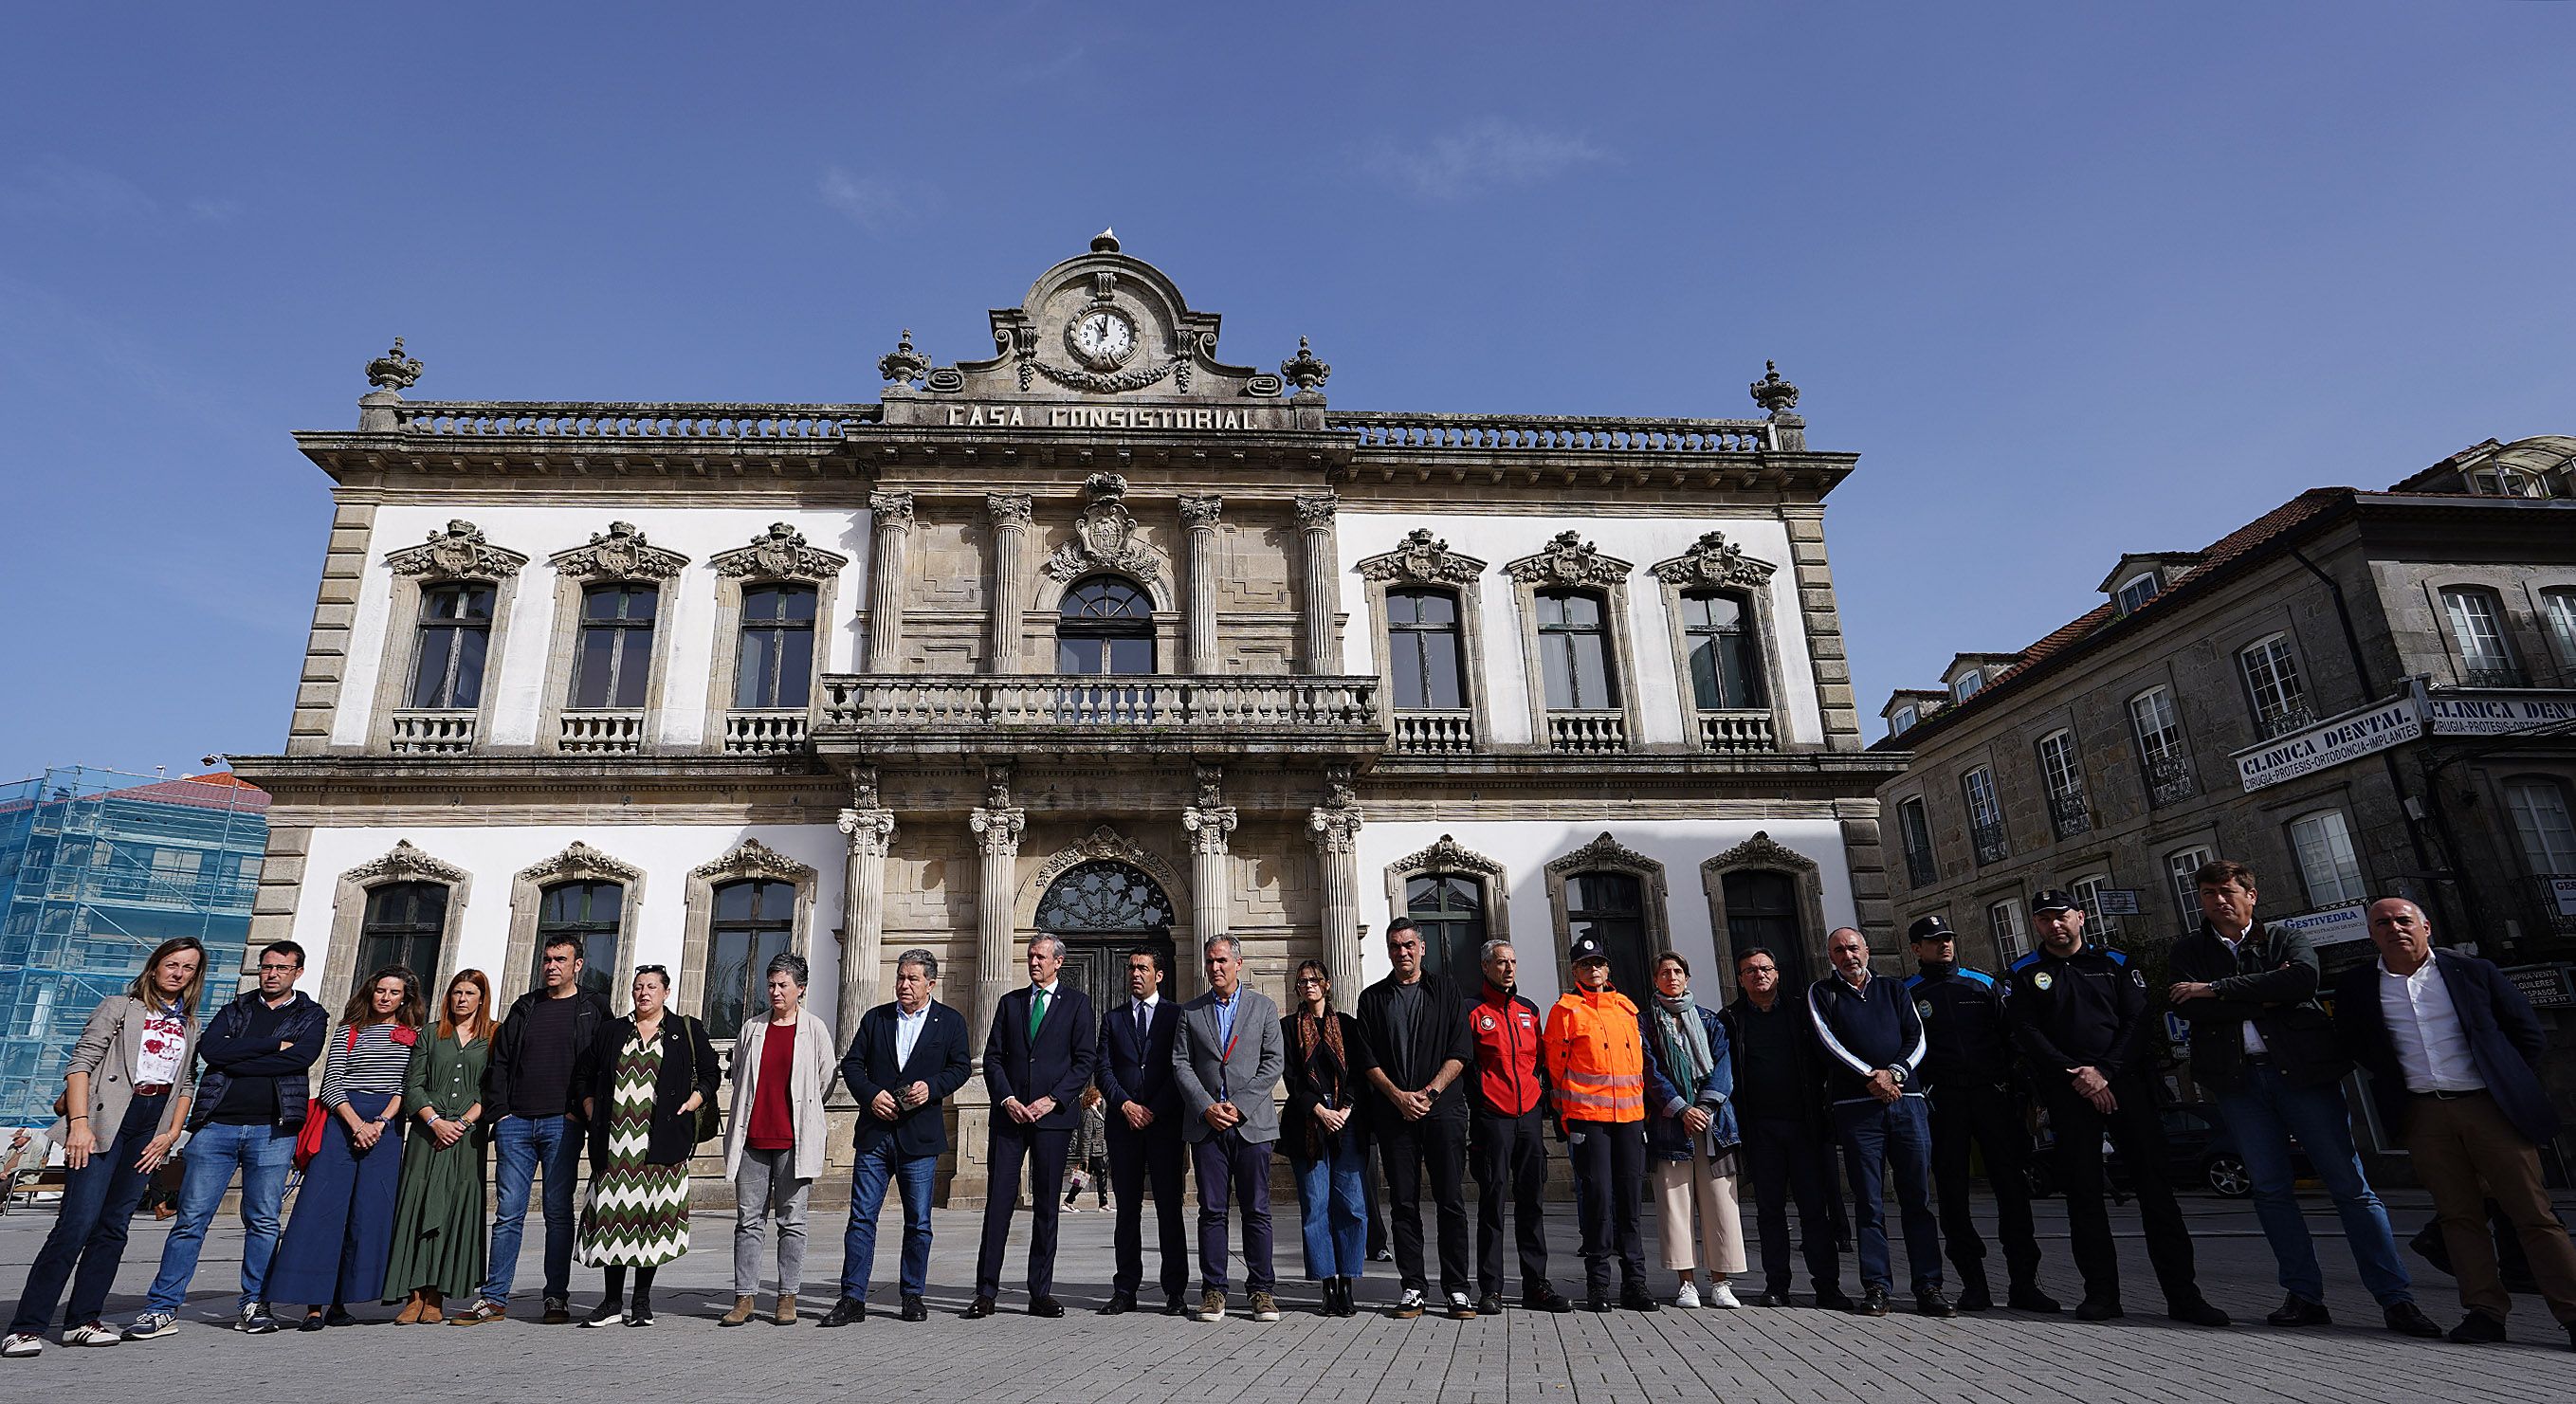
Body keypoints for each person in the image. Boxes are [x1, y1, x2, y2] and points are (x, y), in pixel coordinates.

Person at [2168, 860, 2438, 1338]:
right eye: (2208, 893)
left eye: (2227, 891)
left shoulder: (2284, 939)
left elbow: (2301, 983)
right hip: (2238, 1082)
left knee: (2351, 1188)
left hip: (2303, 1075)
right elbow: (2186, 1006)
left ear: (2251, 895)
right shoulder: (2189, 949)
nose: (2218, 901)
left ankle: (2396, 1299)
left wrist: (2217, 991)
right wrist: (2260, 994)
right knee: (2270, 1190)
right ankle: (2304, 1295)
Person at [2333, 898, 2576, 1349]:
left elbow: (2526, 1035)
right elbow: (2357, 1044)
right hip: (2424, 1114)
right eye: (2382, 923)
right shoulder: (2357, 987)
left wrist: (2503, 1084)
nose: (2395, 929)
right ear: (2371, 935)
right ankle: (2484, 1312)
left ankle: (2572, 1312)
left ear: (2426, 926)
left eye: (2404, 920)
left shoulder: (2473, 972)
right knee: (2458, 1217)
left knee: (2534, 1214)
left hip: (2489, 1107)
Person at [2006, 889, 2229, 1327]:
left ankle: (2184, 1296)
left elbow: (2138, 1022)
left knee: (2156, 1194)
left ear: (2081, 917)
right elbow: (2027, 1032)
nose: (2055, 925)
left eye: (2062, 916)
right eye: (2046, 918)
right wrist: (2079, 1074)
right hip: (2069, 1092)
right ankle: (2101, 1295)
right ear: (2036, 925)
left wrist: (2104, 1072)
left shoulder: (2116, 963)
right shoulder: (2023, 973)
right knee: (2084, 1198)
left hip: (2125, 1085)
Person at [4, 936, 203, 1358]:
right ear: (154, 967)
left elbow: (186, 1082)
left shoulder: (189, 1022)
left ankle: (83, 1319)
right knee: (77, 1223)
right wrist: (79, 1125)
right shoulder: (119, 1007)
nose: (178, 973)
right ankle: (27, 1325)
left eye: (188, 967)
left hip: (150, 1127)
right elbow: (81, 1065)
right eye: (171, 964)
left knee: (114, 1227)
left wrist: (170, 1134)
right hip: (106, 1119)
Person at [131, 939, 326, 1339]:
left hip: (273, 1128)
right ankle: (162, 1306)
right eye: (267, 967)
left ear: (297, 972)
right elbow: (212, 1051)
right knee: (190, 1219)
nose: (272, 975)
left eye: (281, 969)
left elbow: (301, 1058)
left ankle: (254, 1303)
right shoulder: (236, 1008)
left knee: (263, 1221)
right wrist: (272, 1045)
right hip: (215, 1126)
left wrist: (240, 1055)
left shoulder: (311, 1014)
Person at [453, 934, 612, 1326]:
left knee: (559, 1213)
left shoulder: (593, 1007)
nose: (551, 966)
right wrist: (502, 1114)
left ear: (578, 965)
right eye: (547, 959)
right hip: (516, 1124)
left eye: (560, 959)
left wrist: (581, 1111)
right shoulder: (525, 1007)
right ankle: (494, 1299)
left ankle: (555, 1297)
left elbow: (601, 1064)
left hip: (563, 1123)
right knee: (509, 1213)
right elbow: (501, 1063)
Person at [1904, 915, 2054, 1313]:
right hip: (1944, 1100)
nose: (1945, 946)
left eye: (1948, 939)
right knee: (1953, 1195)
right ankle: (1973, 1283)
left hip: (1992, 1095)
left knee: (2012, 1190)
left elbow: (2014, 1037)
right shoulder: (1907, 992)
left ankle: (2024, 1282)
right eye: (1935, 941)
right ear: (1917, 949)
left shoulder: (1983, 983)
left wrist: (2021, 1088)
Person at [819, 948, 971, 1327]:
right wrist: (870, 1094)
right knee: (861, 1219)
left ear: (930, 984)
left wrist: (932, 1087)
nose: (904, 984)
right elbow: (852, 1064)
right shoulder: (876, 1019)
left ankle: (912, 1295)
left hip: (919, 1138)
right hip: (875, 1135)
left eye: (912, 978)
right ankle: (852, 1298)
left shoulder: (949, 1022)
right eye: (901, 977)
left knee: (918, 1221)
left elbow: (960, 1068)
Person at [270, 966, 424, 1329]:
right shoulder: (348, 1030)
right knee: (323, 1211)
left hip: (386, 1124)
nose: (386, 997)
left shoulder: (414, 1037)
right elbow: (331, 1082)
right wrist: (357, 1123)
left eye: (394, 992)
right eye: (381, 990)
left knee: (369, 1214)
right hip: (343, 1122)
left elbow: (406, 1085)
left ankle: (343, 1300)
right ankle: (313, 1304)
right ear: (370, 992)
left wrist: (381, 1123)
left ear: (406, 999)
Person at [1807, 926, 1948, 1318]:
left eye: (1853, 947)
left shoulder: (1895, 989)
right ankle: (1877, 1286)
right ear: (1830, 957)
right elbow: (1828, 1042)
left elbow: (1917, 1038)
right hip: (1857, 1106)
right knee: (1869, 1202)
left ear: (1866, 950)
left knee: (1917, 1199)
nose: (1847, 955)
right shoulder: (1822, 994)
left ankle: (1929, 1285)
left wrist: (1896, 1074)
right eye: (1838, 950)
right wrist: (1873, 1075)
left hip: (1908, 1103)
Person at [574, 965, 717, 1327]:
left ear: (666, 993)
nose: (644, 993)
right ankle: (610, 1302)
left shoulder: (684, 1030)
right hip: (617, 1142)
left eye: (652, 987)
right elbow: (583, 1074)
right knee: (612, 1220)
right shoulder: (613, 1031)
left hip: (662, 1142)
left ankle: (641, 1302)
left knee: (650, 1222)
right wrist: (591, 1108)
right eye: (638, 987)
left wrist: (696, 1100)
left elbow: (713, 1072)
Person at [969, 935, 1098, 1319]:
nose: (1033, 962)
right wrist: (1007, 1099)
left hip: (1052, 1120)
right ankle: (986, 1292)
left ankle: (1039, 1292)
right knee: (999, 1204)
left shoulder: (1077, 1004)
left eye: (1040, 957)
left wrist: (1053, 1099)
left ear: (1059, 961)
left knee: (1046, 1205)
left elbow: (1084, 1059)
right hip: (1011, 1119)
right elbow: (992, 1058)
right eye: (1030, 956)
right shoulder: (1009, 1004)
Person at [1355, 919, 1477, 1319]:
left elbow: (1460, 1049)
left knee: (1451, 1201)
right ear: (1388, 951)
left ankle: (1457, 1287)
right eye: (1394, 946)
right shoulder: (1372, 998)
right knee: (1403, 1204)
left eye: (1408, 945)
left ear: (1422, 947)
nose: (1402, 952)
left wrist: (1429, 1093)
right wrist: (1398, 1097)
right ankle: (1412, 1287)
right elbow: (1367, 1059)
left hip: (1442, 1111)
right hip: (1394, 1115)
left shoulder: (1447, 991)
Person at [1722, 946, 1844, 1309]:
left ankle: (1827, 1285)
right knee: (1769, 1211)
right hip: (1760, 1130)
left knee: (1814, 1210)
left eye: (1765, 968)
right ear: (1741, 978)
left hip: (1804, 1126)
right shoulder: (1730, 1019)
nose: (1759, 975)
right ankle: (1777, 1284)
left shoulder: (1802, 1012)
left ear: (1776, 973)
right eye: (1750, 971)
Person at [1172, 934, 1286, 1322]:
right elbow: (1180, 1063)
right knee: (1212, 1210)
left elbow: (1273, 1062)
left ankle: (1261, 1291)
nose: (1214, 968)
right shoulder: (1191, 1011)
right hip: (1207, 1127)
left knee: (1257, 1209)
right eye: (1209, 962)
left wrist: (1238, 1106)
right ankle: (1214, 1290)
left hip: (1252, 1125)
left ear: (1238, 963)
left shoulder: (1264, 1008)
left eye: (1221, 960)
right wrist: (1206, 1107)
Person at [720, 953, 835, 1327]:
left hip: (793, 1140)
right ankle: (745, 1297)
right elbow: (739, 1073)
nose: (775, 992)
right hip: (753, 1137)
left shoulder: (815, 1029)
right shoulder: (752, 1028)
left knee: (792, 1221)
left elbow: (824, 1080)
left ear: (800, 988)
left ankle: (788, 1297)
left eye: (783, 985)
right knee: (748, 1220)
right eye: (771, 984)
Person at [1544, 935, 1655, 1313]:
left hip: (1628, 1119)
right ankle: (1598, 1284)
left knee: (1631, 1202)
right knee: (1597, 1201)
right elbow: (1556, 1071)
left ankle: (1635, 1284)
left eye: (1599, 964)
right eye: (1586, 965)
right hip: (1588, 1121)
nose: (1594, 970)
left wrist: (1642, 1116)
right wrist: (1565, 1118)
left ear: (1608, 968)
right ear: (1575, 970)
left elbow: (1638, 1067)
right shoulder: (1565, 1010)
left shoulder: (1626, 1008)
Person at [1465, 939, 1572, 1316]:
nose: (1508, 968)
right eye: (1500, 962)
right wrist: (1479, 1104)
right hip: (1492, 1117)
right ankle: (1490, 1288)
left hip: (1527, 1115)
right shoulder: (1473, 1011)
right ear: (1485, 967)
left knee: (1532, 1203)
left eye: (1512, 961)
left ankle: (1535, 1284)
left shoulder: (1529, 1010)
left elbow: (1540, 1061)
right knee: (1492, 1203)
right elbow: (1467, 1065)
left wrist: (1540, 1100)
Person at [384, 968, 496, 1325]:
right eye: (456, 993)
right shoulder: (431, 1034)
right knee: (416, 1206)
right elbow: (412, 1083)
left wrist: (463, 1122)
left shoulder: (493, 1036)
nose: (462, 1000)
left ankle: (437, 1296)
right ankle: (413, 1294)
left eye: (469, 994)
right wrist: (434, 1120)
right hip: (426, 1133)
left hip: (468, 1137)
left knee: (454, 1208)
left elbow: (493, 1088)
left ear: (482, 999)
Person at [1642, 951, 1746, 1311]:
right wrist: (1681, 1108)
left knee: (1721, 1203)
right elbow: (1649, 1072)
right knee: (1676, 1205)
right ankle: (1685, 1282)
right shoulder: (1646, 1024)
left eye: (1677, 971)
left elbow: (1724, 1067)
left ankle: (1721, 1282)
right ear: (1655, 980)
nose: (1671, 977)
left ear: (1687, 978)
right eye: (1664, 972)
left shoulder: (1710, 1021)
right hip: (1670, 1125)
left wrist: (1703, 1107)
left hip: (1714, 1125)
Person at [1094, 946, 1188, 1316]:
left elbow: (1181, 1067)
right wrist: (1126, 1105)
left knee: (1169, 1209)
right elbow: (1103, 1070)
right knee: (1127, 1211)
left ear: (1158, 975)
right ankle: (1125, 1288)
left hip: (1164, 1126)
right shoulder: (1113, 1018)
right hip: (1124, 1125)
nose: (1135, 973)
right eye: (1131, 968)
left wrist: (1154, 1108)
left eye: (1143, 968)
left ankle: (1175, 1290)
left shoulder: (1176, 1015)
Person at [1282, 959, 1372, 1317]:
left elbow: (1361, 1073)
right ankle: (1327, 1283)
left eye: (1314, 980)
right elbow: (1291, 1078)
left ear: (1328, 984)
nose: (1308, 986)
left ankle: (1348, 1282)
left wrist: (1344, 1109)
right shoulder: (1289, 1028)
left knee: (1351, 1204)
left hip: (1347, 1119)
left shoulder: (1348, 1026)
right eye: (1302, 982)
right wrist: (1319, 1111)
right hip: (1307, 1121)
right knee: (1315, 1205)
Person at [1063, 1087, 1108, 1212]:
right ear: (1093, 1098)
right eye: (1098, 1097)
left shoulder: (1096, 1112)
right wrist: (1084, 1158)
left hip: (1098, 1150)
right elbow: (1086, 1136)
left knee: (1083, 1178)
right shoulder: (1088, 1114)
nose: (1100, 1099)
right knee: (1101, 1174)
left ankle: (1068, 1201)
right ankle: (1103, 1204)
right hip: (1092, 1153)